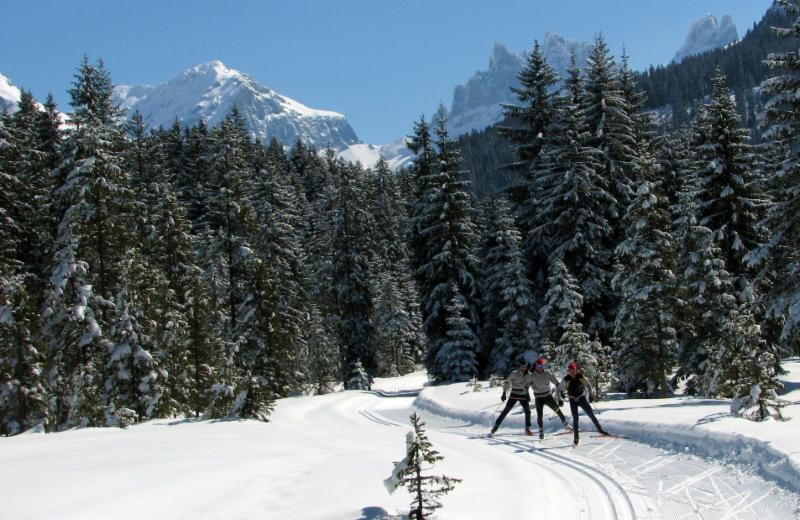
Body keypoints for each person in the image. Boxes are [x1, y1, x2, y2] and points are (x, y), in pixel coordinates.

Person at [560, 361, 608, 445]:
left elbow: (588, 385)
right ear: (568, 371)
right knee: (575, 418)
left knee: (590, 413)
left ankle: (599, 429)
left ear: (575, 370)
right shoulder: (566, 379)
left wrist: (591, 395)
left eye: (573, 370)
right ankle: (576, 438)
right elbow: (559, 389)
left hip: (581, 398)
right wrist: (560, 397)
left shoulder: (580, 376)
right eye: (570, 370)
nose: (572, 372)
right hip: (572, 400)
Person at [490, 361, 534, 436]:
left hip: (523, 394)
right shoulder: (514, 373)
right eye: (522, 367)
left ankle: (527, 429)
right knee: (506, 410)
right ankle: (496, 427)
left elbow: (531, 384)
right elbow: (507, 382)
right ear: (520, 366)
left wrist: (528, 394)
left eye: (525, 367)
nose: (523, 368)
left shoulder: (529, 375)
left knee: (528, 411)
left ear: (527, 367)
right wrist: (504, 393)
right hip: (514, 394)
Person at [530, 357, 570, 439]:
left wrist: (561, 390)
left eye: (541, 366)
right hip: (538, 398)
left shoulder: (547, 374)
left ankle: (565, 424)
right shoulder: (532, 375)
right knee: (539, 415)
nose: (540, 368)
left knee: (557, 409)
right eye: (538, 366)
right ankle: (541, 430)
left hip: (548, 396)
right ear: (536, 366)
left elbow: (556, 382)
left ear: (543, 366)